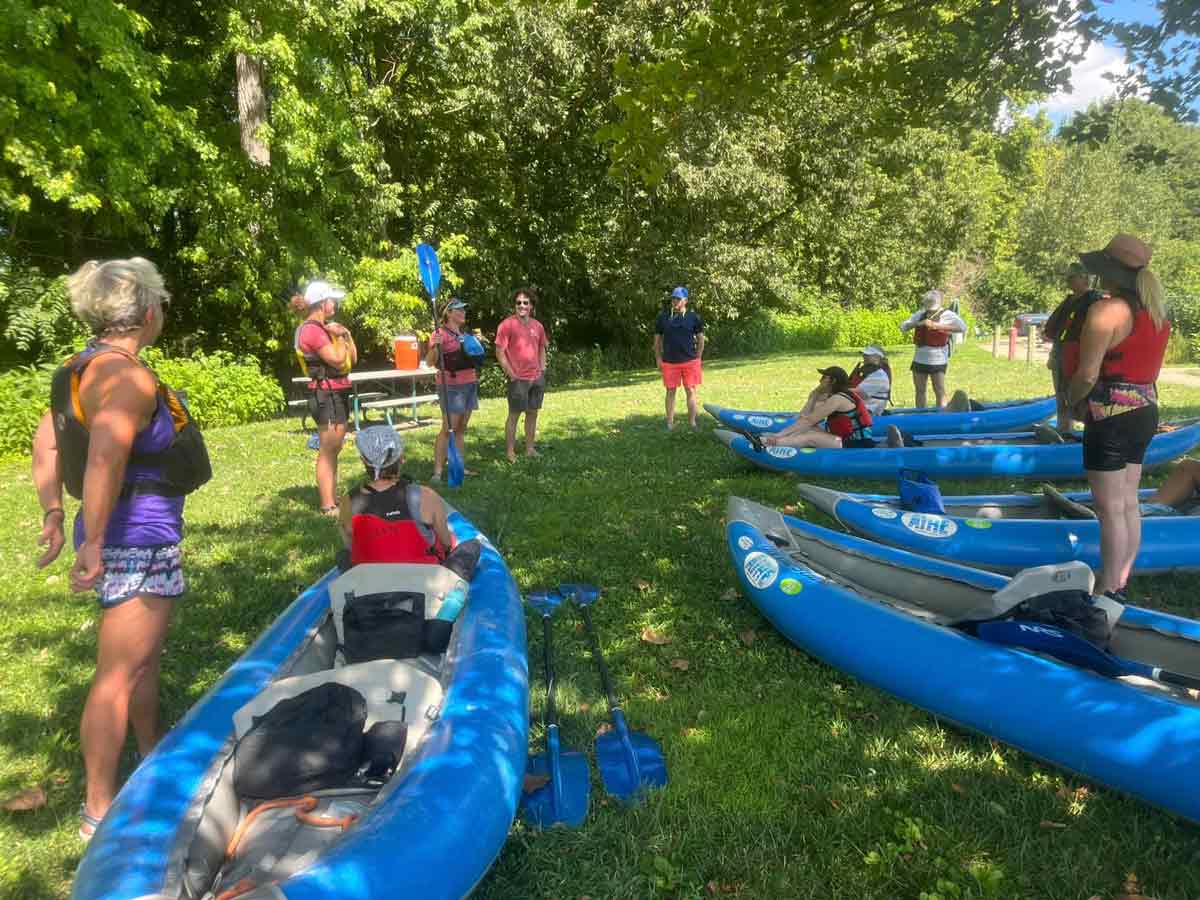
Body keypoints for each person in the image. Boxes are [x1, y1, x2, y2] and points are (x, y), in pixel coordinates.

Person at [31, 258, 210, 842]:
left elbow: (47, 446)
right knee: (117, 673)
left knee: (143, 660)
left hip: (122, 531)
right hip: (135, 537)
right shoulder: (127, 378)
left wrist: (56, 515)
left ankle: (151, 753)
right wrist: (99, 542)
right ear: (149, 310)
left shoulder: (80, 367)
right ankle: (98, 811)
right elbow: (105, 457)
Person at [1066, 234, 1170, 599]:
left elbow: (1087, 374)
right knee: (1127, 502)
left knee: (1109, 507)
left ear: (1107, 271)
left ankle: (1110, 587)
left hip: (1110, 412)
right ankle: (1121, 576)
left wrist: (1068, 401)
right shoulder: (1157, 310)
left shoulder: (1106, 311)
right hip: (1146, 410)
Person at [338, 425, 455, 564]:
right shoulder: (425, 495)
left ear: (364, 460)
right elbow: (446, 543)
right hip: (422, 578)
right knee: (471, 547)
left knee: (343, 556)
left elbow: (350, 545)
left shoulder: (348, 501)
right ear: (401, 458)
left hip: (369, 580)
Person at [293, 280, 357, 516]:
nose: (335, 303)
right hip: (325, 394)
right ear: (322, 303)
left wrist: (345, 334)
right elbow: (338, 360)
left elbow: (352, 358)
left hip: (336, 392)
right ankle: (327, 504)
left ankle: (332, 498)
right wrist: (339, 337)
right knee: (328, 449)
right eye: (332, 299)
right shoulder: (311, 330)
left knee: (335, 447)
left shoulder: (325, 327)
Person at [1043, 262, 1104, 435]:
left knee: (1085, 397)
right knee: (1062, 396)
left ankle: (1092, 434)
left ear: (1084, 278)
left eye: (1072, 277)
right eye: (1068, 277)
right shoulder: (1069, 301)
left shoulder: (1095, 300)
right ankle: (1064, 432)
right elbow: (1052, 329)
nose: (1068, 281)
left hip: (1082, 357)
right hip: (1061, 355)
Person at [425, 298, 478, 480]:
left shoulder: (463, 333)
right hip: (451, 385)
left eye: (464, 309)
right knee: (449, 428)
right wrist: (436, 346)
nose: (463, 312)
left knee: (461, 428)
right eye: (459, 310)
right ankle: (438, 472)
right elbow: (430, 362)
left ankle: (459, 467)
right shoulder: (439, 334)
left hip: (469, 382)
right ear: (449, 313)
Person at [495, 287, 549, 462]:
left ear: (531, 306)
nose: (522, 305)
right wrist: (511, 374)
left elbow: (542, 347)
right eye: (518, 303)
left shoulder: (538, 326)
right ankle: (510, 452)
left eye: (526, 303)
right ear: (514, 305)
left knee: (532, 413)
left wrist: (542, 370)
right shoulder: (506, 325)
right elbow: (499, 352)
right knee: (514, 415)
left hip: (536, 378)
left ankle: (530, 448)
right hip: (518, 379)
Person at [762, 366, 874, 449]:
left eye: (824, 377)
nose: (820, 381)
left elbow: (808, 420)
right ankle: (778, 441)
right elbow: (803, 418)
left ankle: (770, 443)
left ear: (833, 381)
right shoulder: (831, 396)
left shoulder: (838, 399)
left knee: (809, 437)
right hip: (844, 438)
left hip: (857, 443)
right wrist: (814, 396)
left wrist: (778, 435)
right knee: (807, 429)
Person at [899, 290, 966, 408]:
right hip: (919, 359)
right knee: (920, 390)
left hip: (938, 360)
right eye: (928, 307)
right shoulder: (920, 314)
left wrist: (937, 326)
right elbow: (903, 327)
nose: (930, 310)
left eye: (932, 307)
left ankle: (942, 415)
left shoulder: (947, 314)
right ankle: (920, 415)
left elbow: (962, 327)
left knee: (939, 390)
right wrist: (918, 323)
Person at [654, 286, 705, 430]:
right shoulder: (663, 318)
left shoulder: (693, 317)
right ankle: (669, 424)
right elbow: (657, 341)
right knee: (670, 392)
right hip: (669, 363)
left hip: (690, 362)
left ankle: (692, 422)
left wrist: (698, 358)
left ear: (685, 301)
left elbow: (701, 339)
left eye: (678, 299)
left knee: (690, 390)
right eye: (673, 298)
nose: (675, 301)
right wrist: (658, 359)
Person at [849, 346, 892, 417]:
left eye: (868, 355)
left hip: (869, 412)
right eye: (864, 355)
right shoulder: (869, 371)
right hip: (863, 408)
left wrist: (839, 391)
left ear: (877, 358)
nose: (864, 356)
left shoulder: (879, 375)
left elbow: (861, 393)